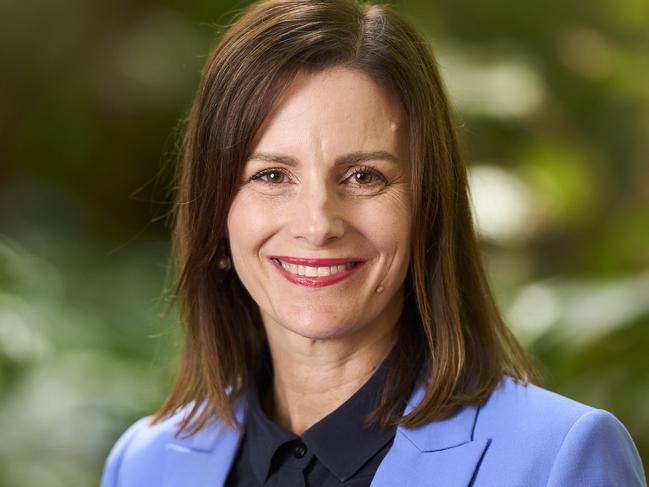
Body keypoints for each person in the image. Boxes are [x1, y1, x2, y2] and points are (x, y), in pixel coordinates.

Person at [101, 0, 646, 485]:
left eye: (364, 176)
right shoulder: (143, 465)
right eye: (271, 176)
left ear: (429, 208)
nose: (317, 225)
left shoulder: (561, 458)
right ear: (217, 213)